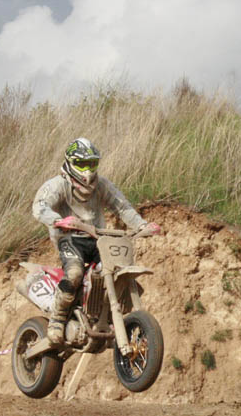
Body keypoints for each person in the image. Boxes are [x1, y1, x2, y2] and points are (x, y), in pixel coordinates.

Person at [32, 138, 161, 345]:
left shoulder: (101, 185)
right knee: (74, 274)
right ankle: (57, 318)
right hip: (70, 239)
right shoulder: (58, 185)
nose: (88, 170)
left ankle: (106, 316)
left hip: (99, 239)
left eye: (92, 164)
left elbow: (122, 207)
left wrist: (142, 225)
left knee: (117, 271)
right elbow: (40, 206)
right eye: (82, 164)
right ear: (71, 163)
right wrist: (57, 220)